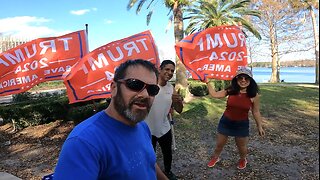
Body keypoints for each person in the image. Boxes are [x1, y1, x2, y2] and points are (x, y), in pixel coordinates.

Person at [54, 59, 168, 180]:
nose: (145, 95)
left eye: (152, 90)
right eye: (135, 84)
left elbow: (148, 163)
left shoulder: (142, 126)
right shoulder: (83, 142)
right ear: (114, 88)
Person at [205, 67, 265, 170]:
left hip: (241, 124)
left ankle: (243, 159)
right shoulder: (230, 90)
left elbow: (256, 111)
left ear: (250, 80)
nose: (243, 80)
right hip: (226, 122)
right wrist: (207, 82)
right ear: (236, 80)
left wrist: (260, 126)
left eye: (246, 78)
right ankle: (215, 157)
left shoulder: (254, 95)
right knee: (219, 144)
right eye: (240, 78)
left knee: (242, 147)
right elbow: (214, 94)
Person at [145, 60, 183, 180]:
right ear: (159, 69)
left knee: (168, 153)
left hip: (164, 127)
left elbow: (179, 110)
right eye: (167, 69)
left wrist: (177, 102)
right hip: (147, 129)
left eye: (172, 70)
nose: (170, 72)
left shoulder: (171, 88)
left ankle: (168, 171)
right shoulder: (149, 86)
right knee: (149, 154)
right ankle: (150, 173)